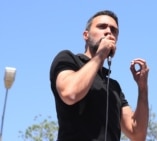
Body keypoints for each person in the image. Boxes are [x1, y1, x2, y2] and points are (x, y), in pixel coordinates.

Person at [49, 10, 149, 141]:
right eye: (102, 27)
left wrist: (142, 88)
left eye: (114, 30)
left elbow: (137, 135)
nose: (108, 32)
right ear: (86, 35)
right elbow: (70, 93)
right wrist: (100, 55)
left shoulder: (113, 87)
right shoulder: (68, 59)